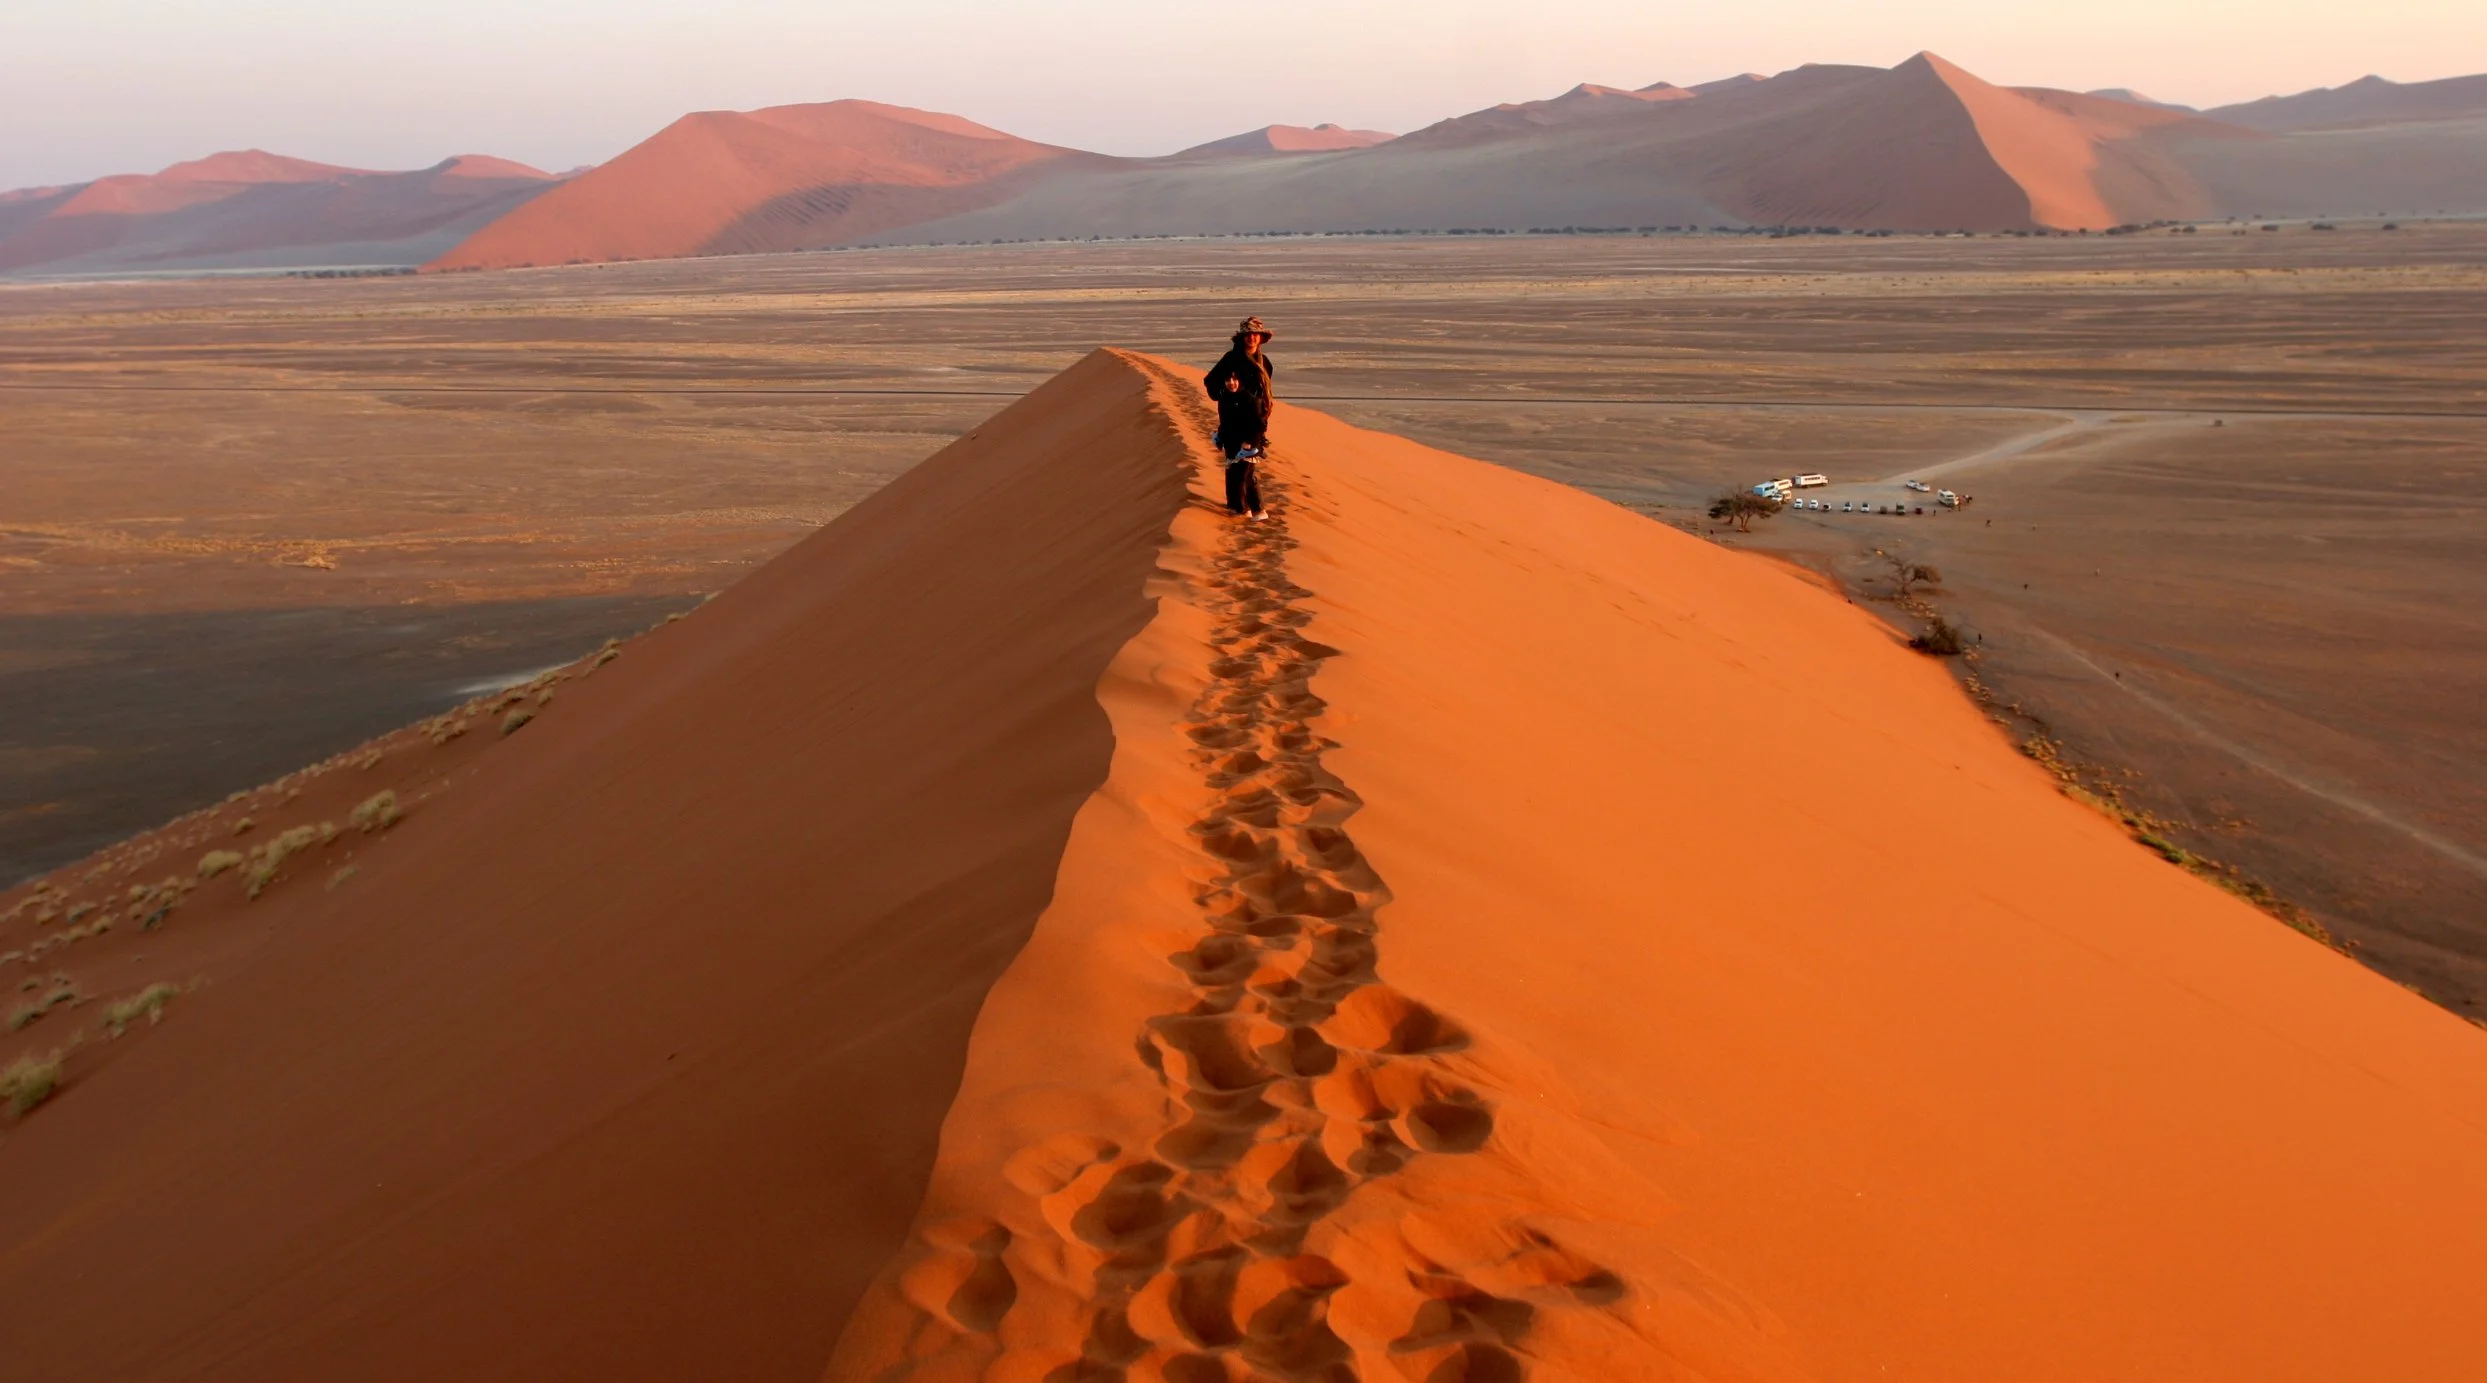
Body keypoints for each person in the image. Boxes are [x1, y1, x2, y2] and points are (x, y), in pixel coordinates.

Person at [1203, 317, 1275, 519]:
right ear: (1242, 337)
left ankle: (1243, 507)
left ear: (1260, 337)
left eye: (1255, 334)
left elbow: (1264, 393)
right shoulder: (1231, 358)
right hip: (1232, 418)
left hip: (1255, 419)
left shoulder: (1264, 362)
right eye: (1248, 334)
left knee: (1244, 465)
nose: (1251, 338)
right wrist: (1225, 396)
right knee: (1236, 464)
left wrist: (1261, 411)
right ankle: (1243, 507)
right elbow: (1210, 381)